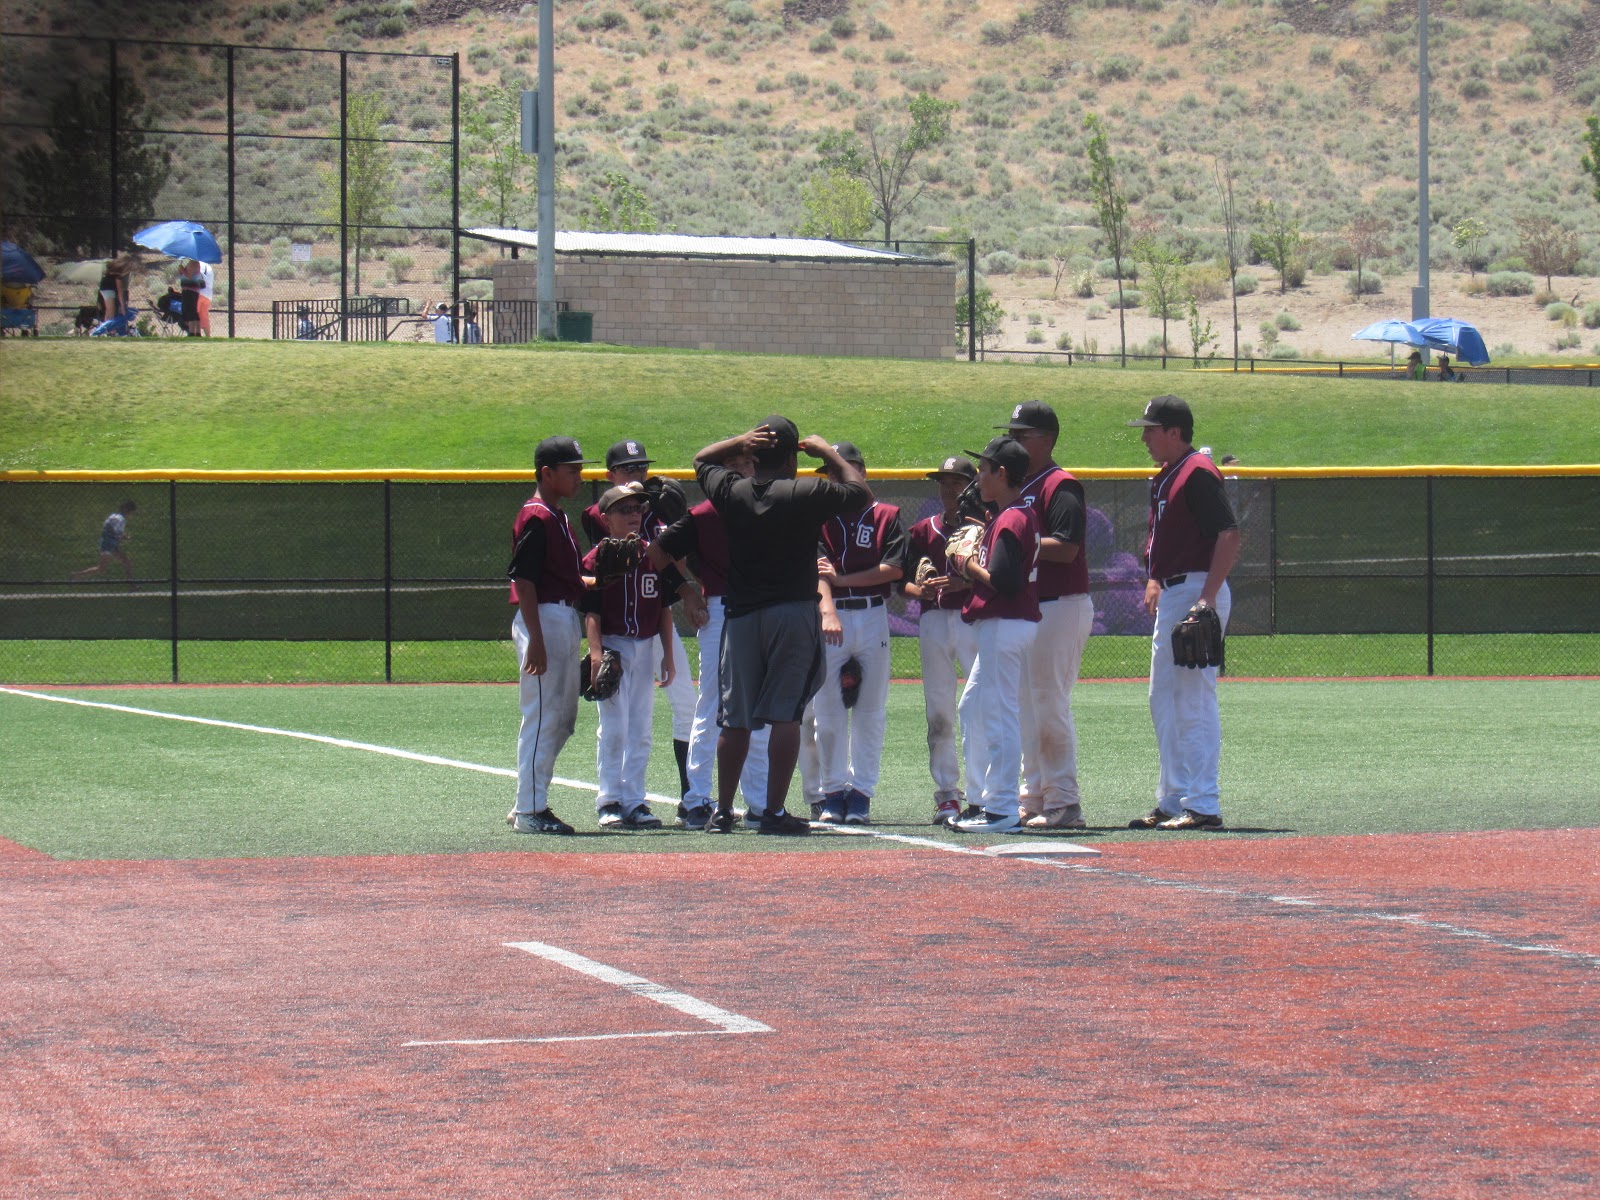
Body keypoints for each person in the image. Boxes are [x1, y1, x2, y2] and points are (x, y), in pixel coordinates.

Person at [694, 417, 871, 835]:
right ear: (793, 457)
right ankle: (772, 812)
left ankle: (722, 812)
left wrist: (738, 440)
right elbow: (860, 493)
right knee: (786, 716)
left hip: (740, 616)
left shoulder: (733, 490)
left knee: (734, 718)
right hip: (792, 612)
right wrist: (828, 452)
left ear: (753, 456)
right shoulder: (805, 490)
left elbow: (702, 460)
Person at [1125, 395, 1241, 831]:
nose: (1144, 437)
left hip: (1197, 587)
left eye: (1150, 429)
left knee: (1193, 699)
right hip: (1177, 588)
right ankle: (1174, 799)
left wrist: (1207, 598)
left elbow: (1228, 535)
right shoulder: (1169, 475)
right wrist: (1156, 575)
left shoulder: (1196, 472)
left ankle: (1203, 803)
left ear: (1175, 432)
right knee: (1165, 700)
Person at [648, 452, 773, 830]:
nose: (741, 472)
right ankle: (697, 799)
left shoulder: (768, 506)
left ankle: (759, 803)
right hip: (720, 610)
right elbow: (656, 552)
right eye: (732, 466)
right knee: (714, 706)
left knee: (760, 712)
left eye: (747, 465)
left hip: (763, 608)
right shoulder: (705, 513)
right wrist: (686, 590)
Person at [995, 400, 1094, 830]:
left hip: (1062, 603)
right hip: (1034, 609)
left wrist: (1020, 541)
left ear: (1047, 439)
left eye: (1022, 436)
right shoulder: (1021, 486)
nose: (1014, 441)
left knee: (1049, 703)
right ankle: (1034, 797)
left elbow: (1068, 545)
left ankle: (1065, 801)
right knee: (1027, 708)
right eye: (1011, 435)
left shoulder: (1060, 484)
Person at [582, 439, 698, 806]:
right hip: (617, 628)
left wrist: (678, 522)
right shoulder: (598, 513)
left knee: (685, 707)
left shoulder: (658, 511)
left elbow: (672, 576)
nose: (637, 474)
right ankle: (613, 798)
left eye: (641, 468)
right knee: (618, 723)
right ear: (609, 474)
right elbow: (612, 557)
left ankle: (690, 798)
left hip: (654, 622)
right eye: (628, 468)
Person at [809, 441, 907, 825]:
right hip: (832, 616)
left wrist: (843, 579)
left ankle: (861, 792)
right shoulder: (819, 517)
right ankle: (833, 792)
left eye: (840, 471)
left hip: (871, 615)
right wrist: (827, 608)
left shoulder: (886, 514)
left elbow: (894, 568)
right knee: (828, 710)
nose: (834, 480)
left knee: (870, 709)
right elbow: (817, 571)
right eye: (830, 474)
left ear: (860, 472)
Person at [949, 437, 1042, 834]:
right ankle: (986, 800)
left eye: (985, 470)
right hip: (1005, 623)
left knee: (1000, 716)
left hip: (1005, 622)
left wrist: (967, 565)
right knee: (972, 707)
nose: (979, 478)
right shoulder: (1012, 515)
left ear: (1002, 474)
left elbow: (1004, 581)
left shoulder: (1011, 518)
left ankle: (1002, 809)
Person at [505, 435, 597, 835]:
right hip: (541, 617)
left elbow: (565, 578)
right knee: (542, 717)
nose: (579, 477)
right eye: (571, 470)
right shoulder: (536, 516)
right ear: (547, 473)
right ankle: (530, 810)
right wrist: (536, 639)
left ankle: (527, 799)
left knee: (561, 719)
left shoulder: (557, 515)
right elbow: (523, 580)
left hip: (560, 617)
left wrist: (602, 578)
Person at [581, 482, 674, 830]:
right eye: (624, 510)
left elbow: (664, 607)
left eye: (638, 509)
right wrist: (595, 654)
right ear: (606, 518)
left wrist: (668, 655)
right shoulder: (597, 558)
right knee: (615, 727)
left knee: (641, 728)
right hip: (614, 647)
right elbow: (591, 611)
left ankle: (635, 799)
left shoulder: (654, 554)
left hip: (646, 646)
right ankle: (608, 800)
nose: (633, 515)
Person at [901, 456, 980, 826]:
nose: (949, 489)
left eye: (957, 482)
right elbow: (902, 578)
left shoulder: (984, 527)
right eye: (944, 482)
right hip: (933, 620)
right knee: (939, 711)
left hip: (972, 618)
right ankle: (948, 795)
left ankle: (985, 791)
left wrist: (969, 583)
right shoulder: (922, 530)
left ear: (972, 485)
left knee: (980, 706)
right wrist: (919, 590)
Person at [70, 501, 138, 588]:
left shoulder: (113, 516)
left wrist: (121, 536)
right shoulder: (121, 519)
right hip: (108, 544)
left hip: (111, 543)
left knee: (126, 561)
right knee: (101, 568)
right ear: (128, 511)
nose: (132, 515)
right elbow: (117, 532)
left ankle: (131, 585)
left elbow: (110, 528)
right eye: (132, 513)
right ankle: (76, 575)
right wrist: (125, 538)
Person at [177, 259, 205, 336]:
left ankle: (192, 333)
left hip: (190, 291)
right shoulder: (192, 263)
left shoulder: (193, 263)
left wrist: (182, 269)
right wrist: (181, 271)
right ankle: (197, 333)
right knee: (194, 312)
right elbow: (185, 275)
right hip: (191, 291)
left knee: (191, 312)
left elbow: (189, 276)